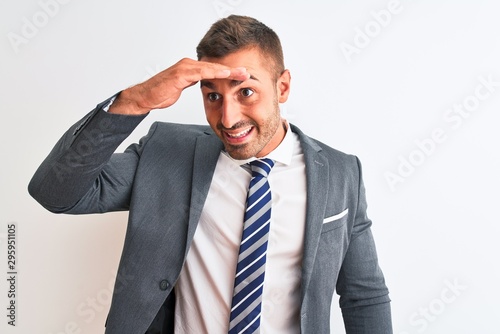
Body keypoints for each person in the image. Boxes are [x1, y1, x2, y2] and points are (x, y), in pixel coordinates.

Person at [29, 15, 392, 334]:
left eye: (246, 92)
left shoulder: (341, 173)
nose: (228, 118)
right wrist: (137, 100)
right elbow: (56, 193)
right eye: (213, 96)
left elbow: (364, 296)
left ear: (282, 87)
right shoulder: (167, 152)